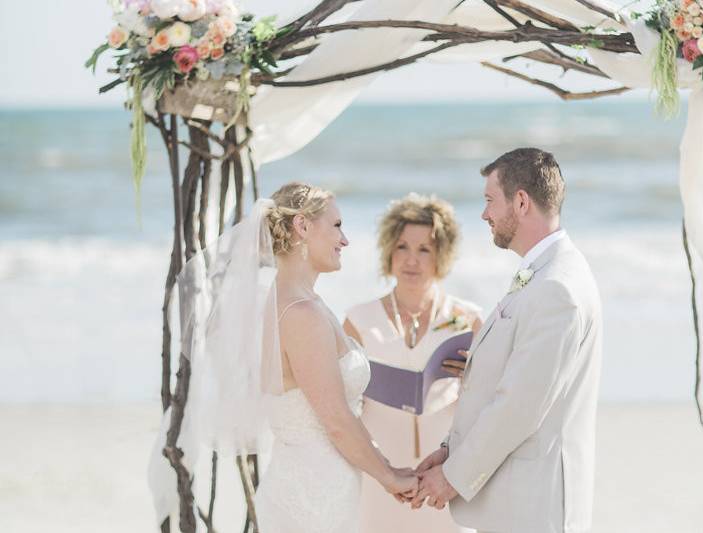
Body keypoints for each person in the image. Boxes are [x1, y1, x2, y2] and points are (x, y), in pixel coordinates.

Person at [165, 182, 419, 533]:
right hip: (313, 496)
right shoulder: (301, 313)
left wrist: (386, 467)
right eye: (336, 226)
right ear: (302, 226)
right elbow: (336, 421)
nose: (344, 240)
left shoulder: (293, 302)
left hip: (316, 484)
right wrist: (389, 476)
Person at [413, 148, 603, 533]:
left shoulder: (556, 289)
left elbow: (518, 405)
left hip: (534, 508)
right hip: (514, 501)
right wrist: (452, 450)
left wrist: (454, 476)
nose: (484, 214)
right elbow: (506, 379)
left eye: (489, 201)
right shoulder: (542, 273)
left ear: (520, 202)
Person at [343, 193, 482, 533]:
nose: (412, 260)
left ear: (441, 256)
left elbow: (488, 407)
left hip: (443, 477)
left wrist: (473, 380)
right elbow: (341, 405)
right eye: (403, 246)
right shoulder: (358, 320)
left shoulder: (468, 320)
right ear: (389, 250)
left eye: (425, 250)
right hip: (380, 477)